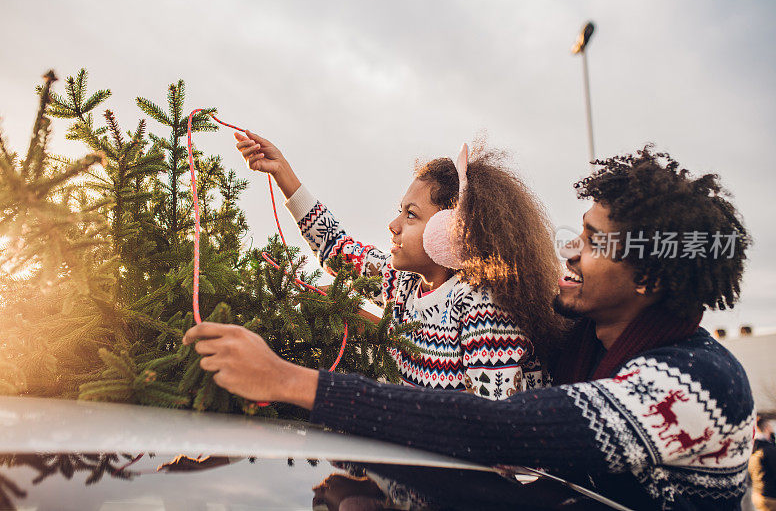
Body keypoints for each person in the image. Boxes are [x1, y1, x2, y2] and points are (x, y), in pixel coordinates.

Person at [184, 145, 754, 509]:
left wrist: (290, 383)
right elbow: (343, 251)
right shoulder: (581, 335)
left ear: (649, 276)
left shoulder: (693, 388)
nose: (570, 253)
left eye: (593, 243)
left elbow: (501, 433)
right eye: (577, 233)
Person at [233, 130, 565, 399]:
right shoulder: (402, 284)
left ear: (453, 231)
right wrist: (283, 172)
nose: (393, 225)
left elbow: (486, 428)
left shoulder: (483, 309)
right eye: (400, 210)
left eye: (411, 215)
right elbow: (337, 248)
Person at [750, 416, 776, 510]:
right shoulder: (768, 450)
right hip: (771, 497)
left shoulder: (753, 449)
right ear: (766, 428)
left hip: (757, 494)